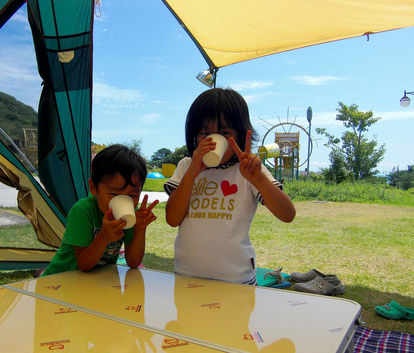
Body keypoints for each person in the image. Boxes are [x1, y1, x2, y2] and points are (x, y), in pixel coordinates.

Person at [164, 88, 295, 285]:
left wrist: (258, 179)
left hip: (237, 280)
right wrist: (192, 173)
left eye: (224, 133)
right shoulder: (185, 167)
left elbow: (287, 214)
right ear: (193, 135)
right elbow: (172, 218)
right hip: (187, 276)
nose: (213, 141)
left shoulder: (249, 169)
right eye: (204, 133)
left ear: (241, 135)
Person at [42, 144, 159, 276]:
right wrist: (103, 237)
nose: (126, 201)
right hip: (61, 278)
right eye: (114, 194)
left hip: (96, 282)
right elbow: (84, 264)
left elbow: (133, 262)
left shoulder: (131, 213)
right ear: (93, 187)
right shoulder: (83, 211)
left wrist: (139, 229)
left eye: (132, 195)